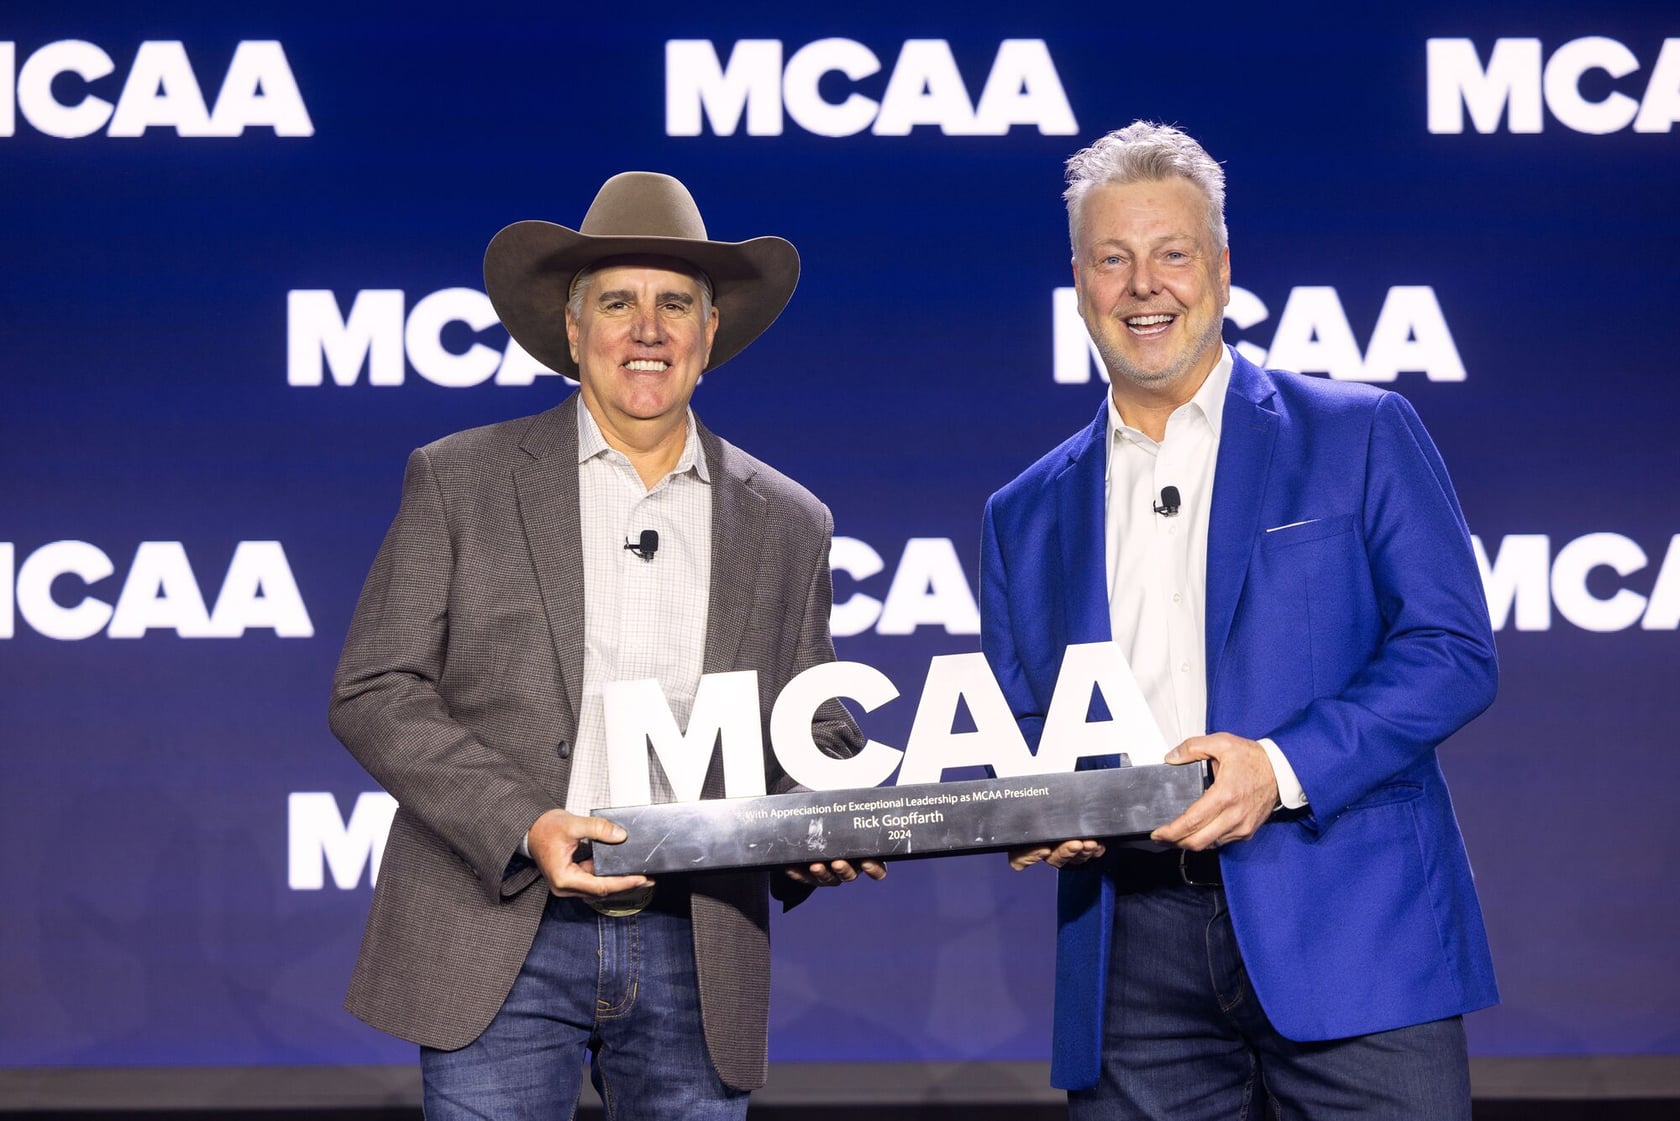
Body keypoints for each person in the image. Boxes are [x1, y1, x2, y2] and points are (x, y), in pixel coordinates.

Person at [329, 170, 883, 1120]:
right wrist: (523, 821)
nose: (649, 328)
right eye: (618, 303)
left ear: (712, 334)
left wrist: (818, 826)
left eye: (675, 304)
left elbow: (813, 724)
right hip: (498, 924)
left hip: (697, 939)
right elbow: (376, 687)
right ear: (573, 331)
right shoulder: (461, 480)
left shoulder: (791, 521)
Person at [980, 122, 1499, 1119]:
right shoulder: (1024, 511)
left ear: (1221, 266)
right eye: (1113, 259)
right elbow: (1023, 726)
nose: (1145, 287)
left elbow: (1452, 651)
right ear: (1079, 282)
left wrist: (1279, 764)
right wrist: (1034, 804)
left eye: (1172, 253)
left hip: (1354, 930)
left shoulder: (1360, 431)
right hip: (1131, 960)